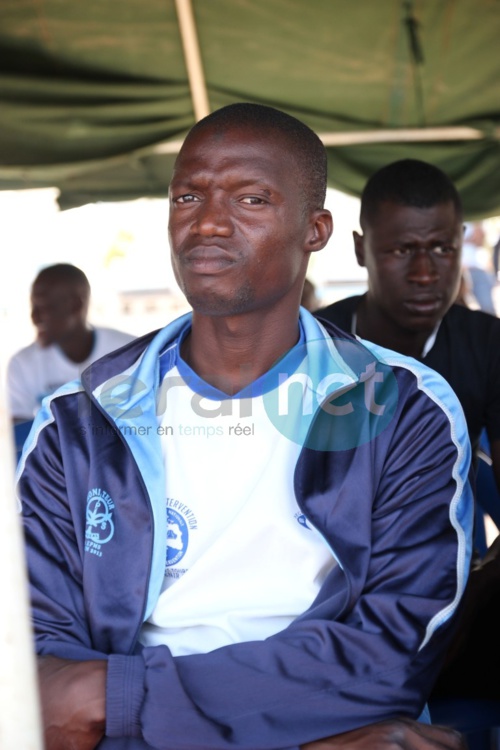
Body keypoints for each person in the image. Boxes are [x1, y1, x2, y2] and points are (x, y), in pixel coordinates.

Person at [17, 104, 473, 750]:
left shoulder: (401, 407)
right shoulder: (80, 419)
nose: (206, 222)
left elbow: (393, 652)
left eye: (252, 199)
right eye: (187, 195)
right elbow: (41, 674)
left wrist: (118, 699)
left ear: (314, 230)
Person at [314, 158, 500, 707]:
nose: (425, 274)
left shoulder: (488, 346)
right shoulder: (311, 347)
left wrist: (463, 607)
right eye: (401, 251)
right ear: (359, 248)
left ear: (461, 242)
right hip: (323, 590)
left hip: (453, 588)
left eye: (441, 249)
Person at [7, 263, 135, 423]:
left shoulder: (130, 352)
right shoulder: (23, 364)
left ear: (76, 305)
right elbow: (22, 439)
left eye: (44, 307)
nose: (35, 317)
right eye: (33, 307)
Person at [461, 222, 497, 316]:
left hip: (475, 268)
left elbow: (479, 241)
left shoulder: (474, 221)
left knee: (488, 309)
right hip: (458, 271)